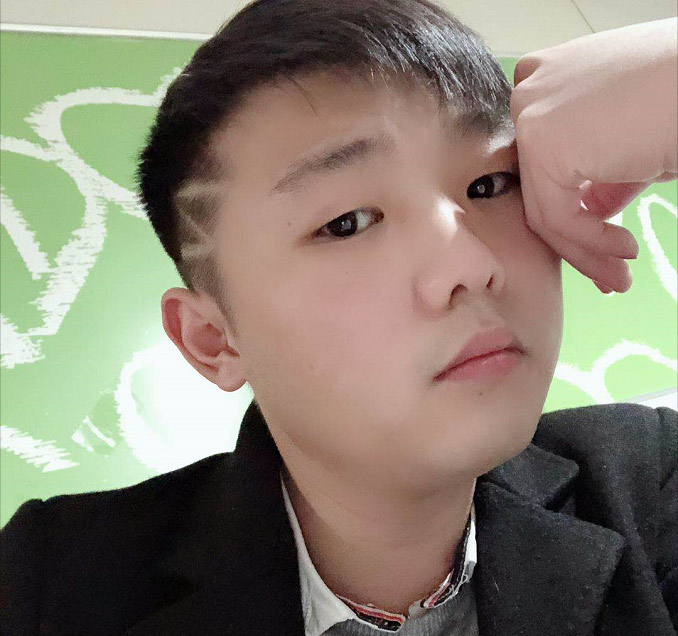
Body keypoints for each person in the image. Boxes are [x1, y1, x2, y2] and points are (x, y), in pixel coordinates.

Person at [1, 2, 676, 635]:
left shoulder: (643, 480)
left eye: (490, 184)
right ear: (214, 341)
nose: (470, 264)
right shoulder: (50, 582)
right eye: (347, 223)